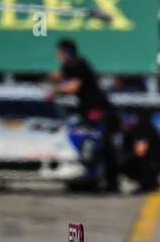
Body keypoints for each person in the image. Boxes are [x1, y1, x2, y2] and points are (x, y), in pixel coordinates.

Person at [50, 38, 118, 191]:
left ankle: (111, 183)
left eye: (60, 52)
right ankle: (86, 178)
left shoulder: (80, 65)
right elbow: (61, 78)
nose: (58, 55)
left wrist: (54, 90)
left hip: (98, 111)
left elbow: (73, 86)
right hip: (87, 111)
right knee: (85, 143)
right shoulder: (68, 66)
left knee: (102, 146)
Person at [117, 111, 160, 193]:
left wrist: (123, 158)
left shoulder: (141, 128)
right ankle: (146, 184)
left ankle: (151, 183)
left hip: (156, 161)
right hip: (151, 160)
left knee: (133, 163)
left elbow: (140, 151)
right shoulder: (129, 132)